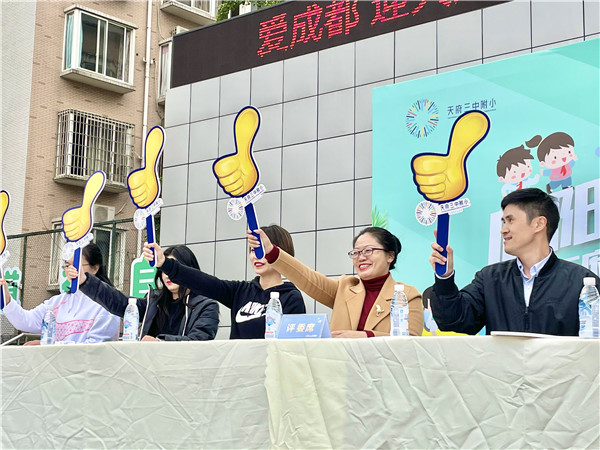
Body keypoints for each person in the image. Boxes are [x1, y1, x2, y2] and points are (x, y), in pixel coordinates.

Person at [429, 188, 600, 335]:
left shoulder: (582, 282)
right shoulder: (490, 278)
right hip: (502, 365)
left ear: (539, 224)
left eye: (510, 220)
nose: (503, 230)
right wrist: (445, 278)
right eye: (503, 222)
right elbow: (454, 320)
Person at [247, 226, 423, 338]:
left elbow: (412, 344)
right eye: (356, 252)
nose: (361, 257)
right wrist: (271, 251)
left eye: (368, 251)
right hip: (342, 377)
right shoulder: (345, 287)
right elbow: (307, 278)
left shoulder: (408, 295)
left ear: (390, 256)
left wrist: (366, 336)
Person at [143, 225, 306, 339]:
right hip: (238, 374)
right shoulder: (240, 291)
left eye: (263, 250)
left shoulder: (291, 297)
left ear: (280, 253)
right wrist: (165, 264)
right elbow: (203, 282)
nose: (256, 256)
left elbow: (293, 349)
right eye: (252, 250)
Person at [67, 245, 219, 341]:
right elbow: (121, 303)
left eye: (173, 269)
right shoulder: (155, 302)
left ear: (189, 270)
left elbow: (199, 341)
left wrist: (160, 342)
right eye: (164, 270)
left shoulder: (206, 306)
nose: (168, 275)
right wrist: (85, 281)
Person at [0, 243, 120, 345]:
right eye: (67, 265)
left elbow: (95, 348)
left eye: (76, 265)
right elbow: (25, 321)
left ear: (95, 268)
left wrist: (46, 345)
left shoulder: (108, 303)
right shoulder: (57, 302)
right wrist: (6, 297)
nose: (70, 270)